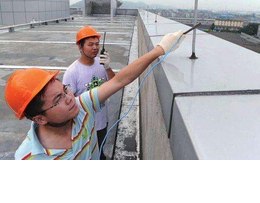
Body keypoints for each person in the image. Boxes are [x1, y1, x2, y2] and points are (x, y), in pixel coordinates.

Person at [4, 30, 185, 160]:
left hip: (101, 123)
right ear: (40, 119)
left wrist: (160, 49)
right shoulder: (28, 158)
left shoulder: (81, 106)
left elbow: (119, 80)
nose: (69, 98)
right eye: (58, 99)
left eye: (64, 90)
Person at [63, 26, 115, 160]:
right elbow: (66, 103)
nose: (95, 48)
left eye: (97, 44)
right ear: (80, 47)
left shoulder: (101, 64)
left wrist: (108, 68)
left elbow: (114, 83)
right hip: (84, 126)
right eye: (90, 44)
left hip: (103, 121)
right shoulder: (72, 72)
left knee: (101, 150)